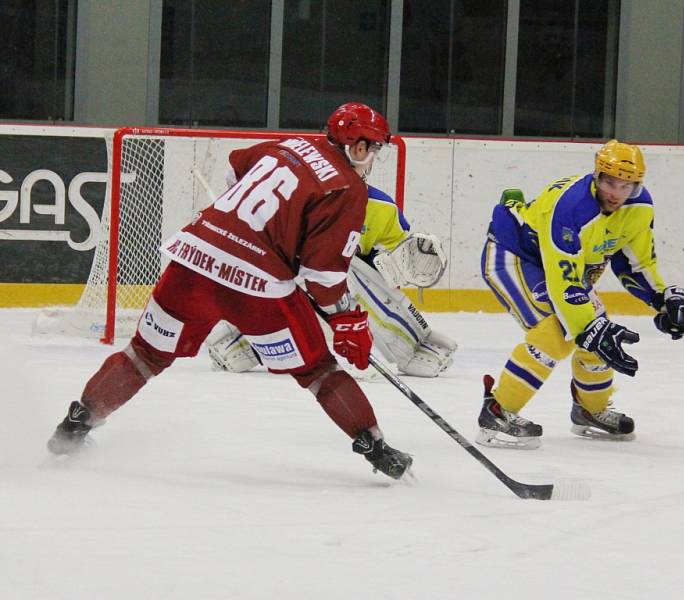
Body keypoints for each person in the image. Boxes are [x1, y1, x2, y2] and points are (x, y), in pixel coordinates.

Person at [47, 102, 413, 480]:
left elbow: (233, 170)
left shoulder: (288, 145)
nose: (372, 157)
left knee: (143, 355)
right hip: (257, 288)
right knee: (319, 372)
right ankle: (377, 449)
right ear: (358, 146)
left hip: (194, 260)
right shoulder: (347, 188)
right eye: (373, 148)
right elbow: (321, 275)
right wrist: (346, 319)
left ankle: (75, 426)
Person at [477, 140, 684, 449]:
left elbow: (635, 262)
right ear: (597, 175)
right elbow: (562, 285)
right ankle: (498, 409)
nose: (615, 193)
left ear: (637, 185)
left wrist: (663, 299)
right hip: (514, 255)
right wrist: (587, 328)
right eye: (609, 182)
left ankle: (590, 410)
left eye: (625, 185)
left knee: (596, 332)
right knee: (557, 331)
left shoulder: (639, 208)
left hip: (563, 272)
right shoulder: (572, 206)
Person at [206, 184, 457, 378]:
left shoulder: (383, 207)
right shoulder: (303, 196)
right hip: (294, 280)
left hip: (342, 287)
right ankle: (240, 340)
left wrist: (391, 262)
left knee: (352, 272)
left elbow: (386, 266)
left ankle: (416, 344)